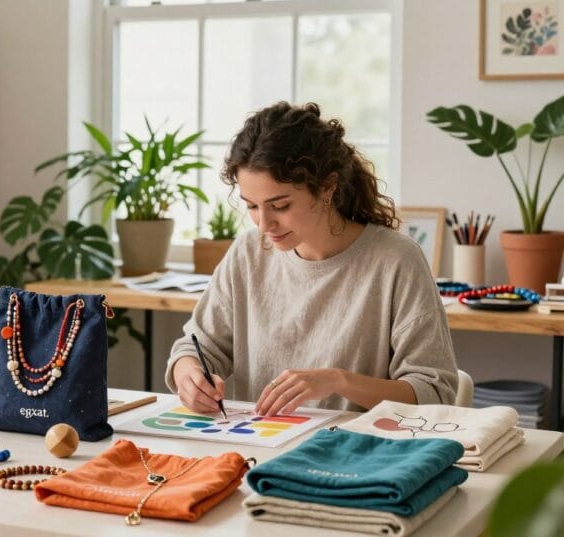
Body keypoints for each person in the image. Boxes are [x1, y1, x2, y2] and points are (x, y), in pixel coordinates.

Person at [167, 102, 458, 416]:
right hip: (258, 451)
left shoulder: (396, 260)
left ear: (327, 186)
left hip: (357, 456)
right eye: (251, 206)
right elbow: (197, 347)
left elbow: (434, 393)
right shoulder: (247, 253)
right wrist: (189, 375)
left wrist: (337, 381)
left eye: (280, 205)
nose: (264, 225)